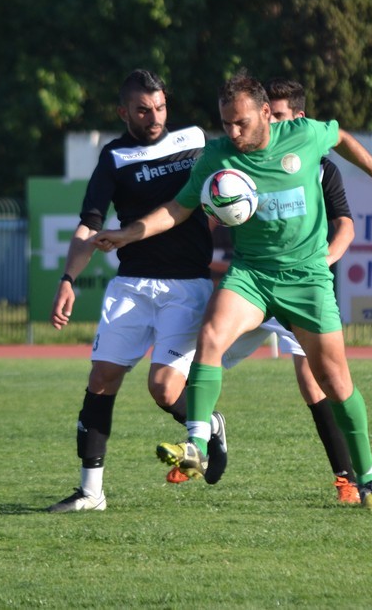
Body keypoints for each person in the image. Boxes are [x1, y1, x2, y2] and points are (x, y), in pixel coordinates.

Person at [93, 70, 372, 512]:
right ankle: (197, 444)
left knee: (335, 383)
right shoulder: (218, 155)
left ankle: (367, 478)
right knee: (211, 334)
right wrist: (128, 234)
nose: (234, 133)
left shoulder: (304, 135)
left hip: (306, 278)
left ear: (265, 113)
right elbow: (179, 208)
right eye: (227, 124)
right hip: (252, 274)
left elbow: (342, 138)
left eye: (241, 122)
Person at [46, 69, 227, 513]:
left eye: (160, 107)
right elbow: (89, 225)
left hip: (187, 286)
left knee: (163, 389)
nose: (154, 117)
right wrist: (68, 279)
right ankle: (91, 493)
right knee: (101, 379)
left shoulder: (194, 141)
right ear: (123, 112)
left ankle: (209, 424)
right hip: (132, 285)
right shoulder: (114, 157)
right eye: (143, 110)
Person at [182, 78, 362, 504]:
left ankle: (348, 480)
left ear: (296, 119)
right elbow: (203, 209)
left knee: (315, 382)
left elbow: (345, 225)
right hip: (253, 284)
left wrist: (322, 262)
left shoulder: (320, 165)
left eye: (282, 117)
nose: (276, 126)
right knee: (189, 365)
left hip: (302, 285)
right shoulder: (233, 163)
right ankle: (201, 438)